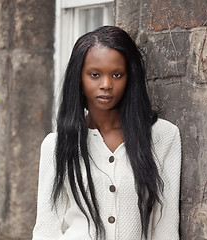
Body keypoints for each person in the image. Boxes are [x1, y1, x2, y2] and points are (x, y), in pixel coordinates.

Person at [32, 26, 181, 240]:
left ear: (130, 78)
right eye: (94, 74)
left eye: (117, 75)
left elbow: (165, 227)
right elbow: (46, 228)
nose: (106, 85)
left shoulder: (163, 136)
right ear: (79, 79)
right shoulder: (56, 144)